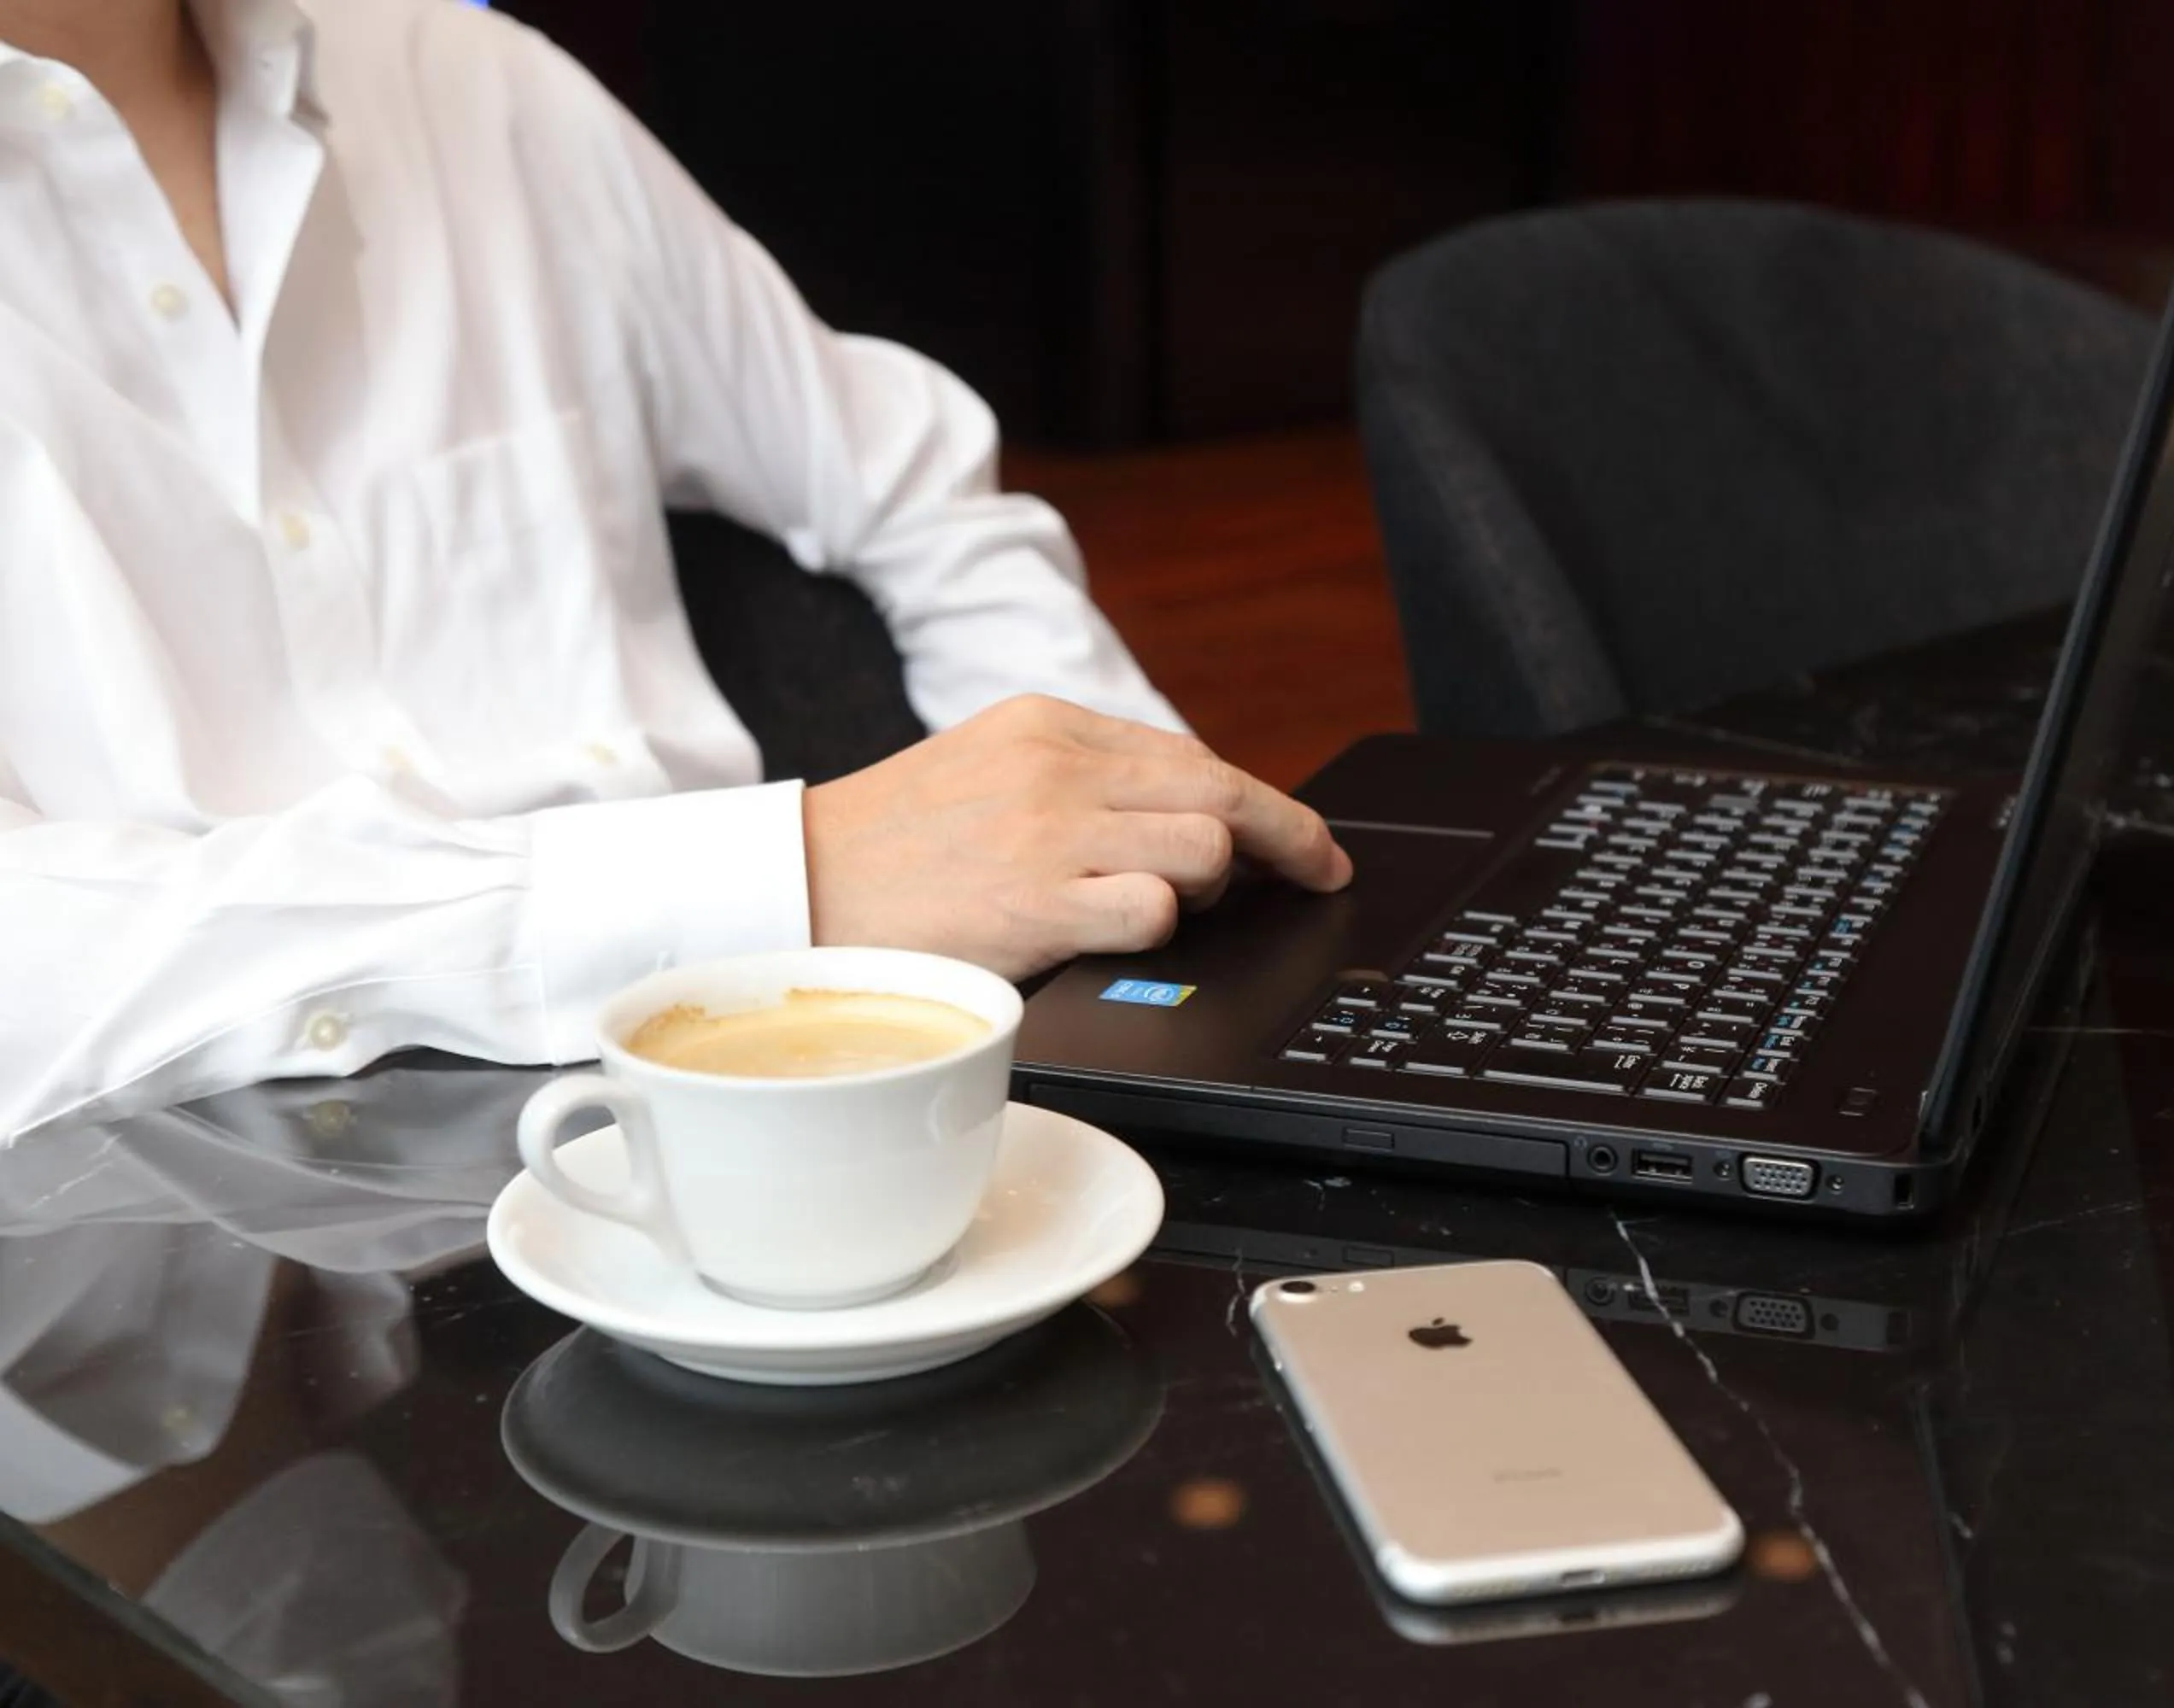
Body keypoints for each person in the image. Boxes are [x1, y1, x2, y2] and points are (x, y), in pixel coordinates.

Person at [0, 0, 1353, 1143]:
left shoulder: (473, 87)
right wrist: (787, 873)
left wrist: (1141, 860)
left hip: (779, 1086)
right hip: (188, 1201)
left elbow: (906, 484)